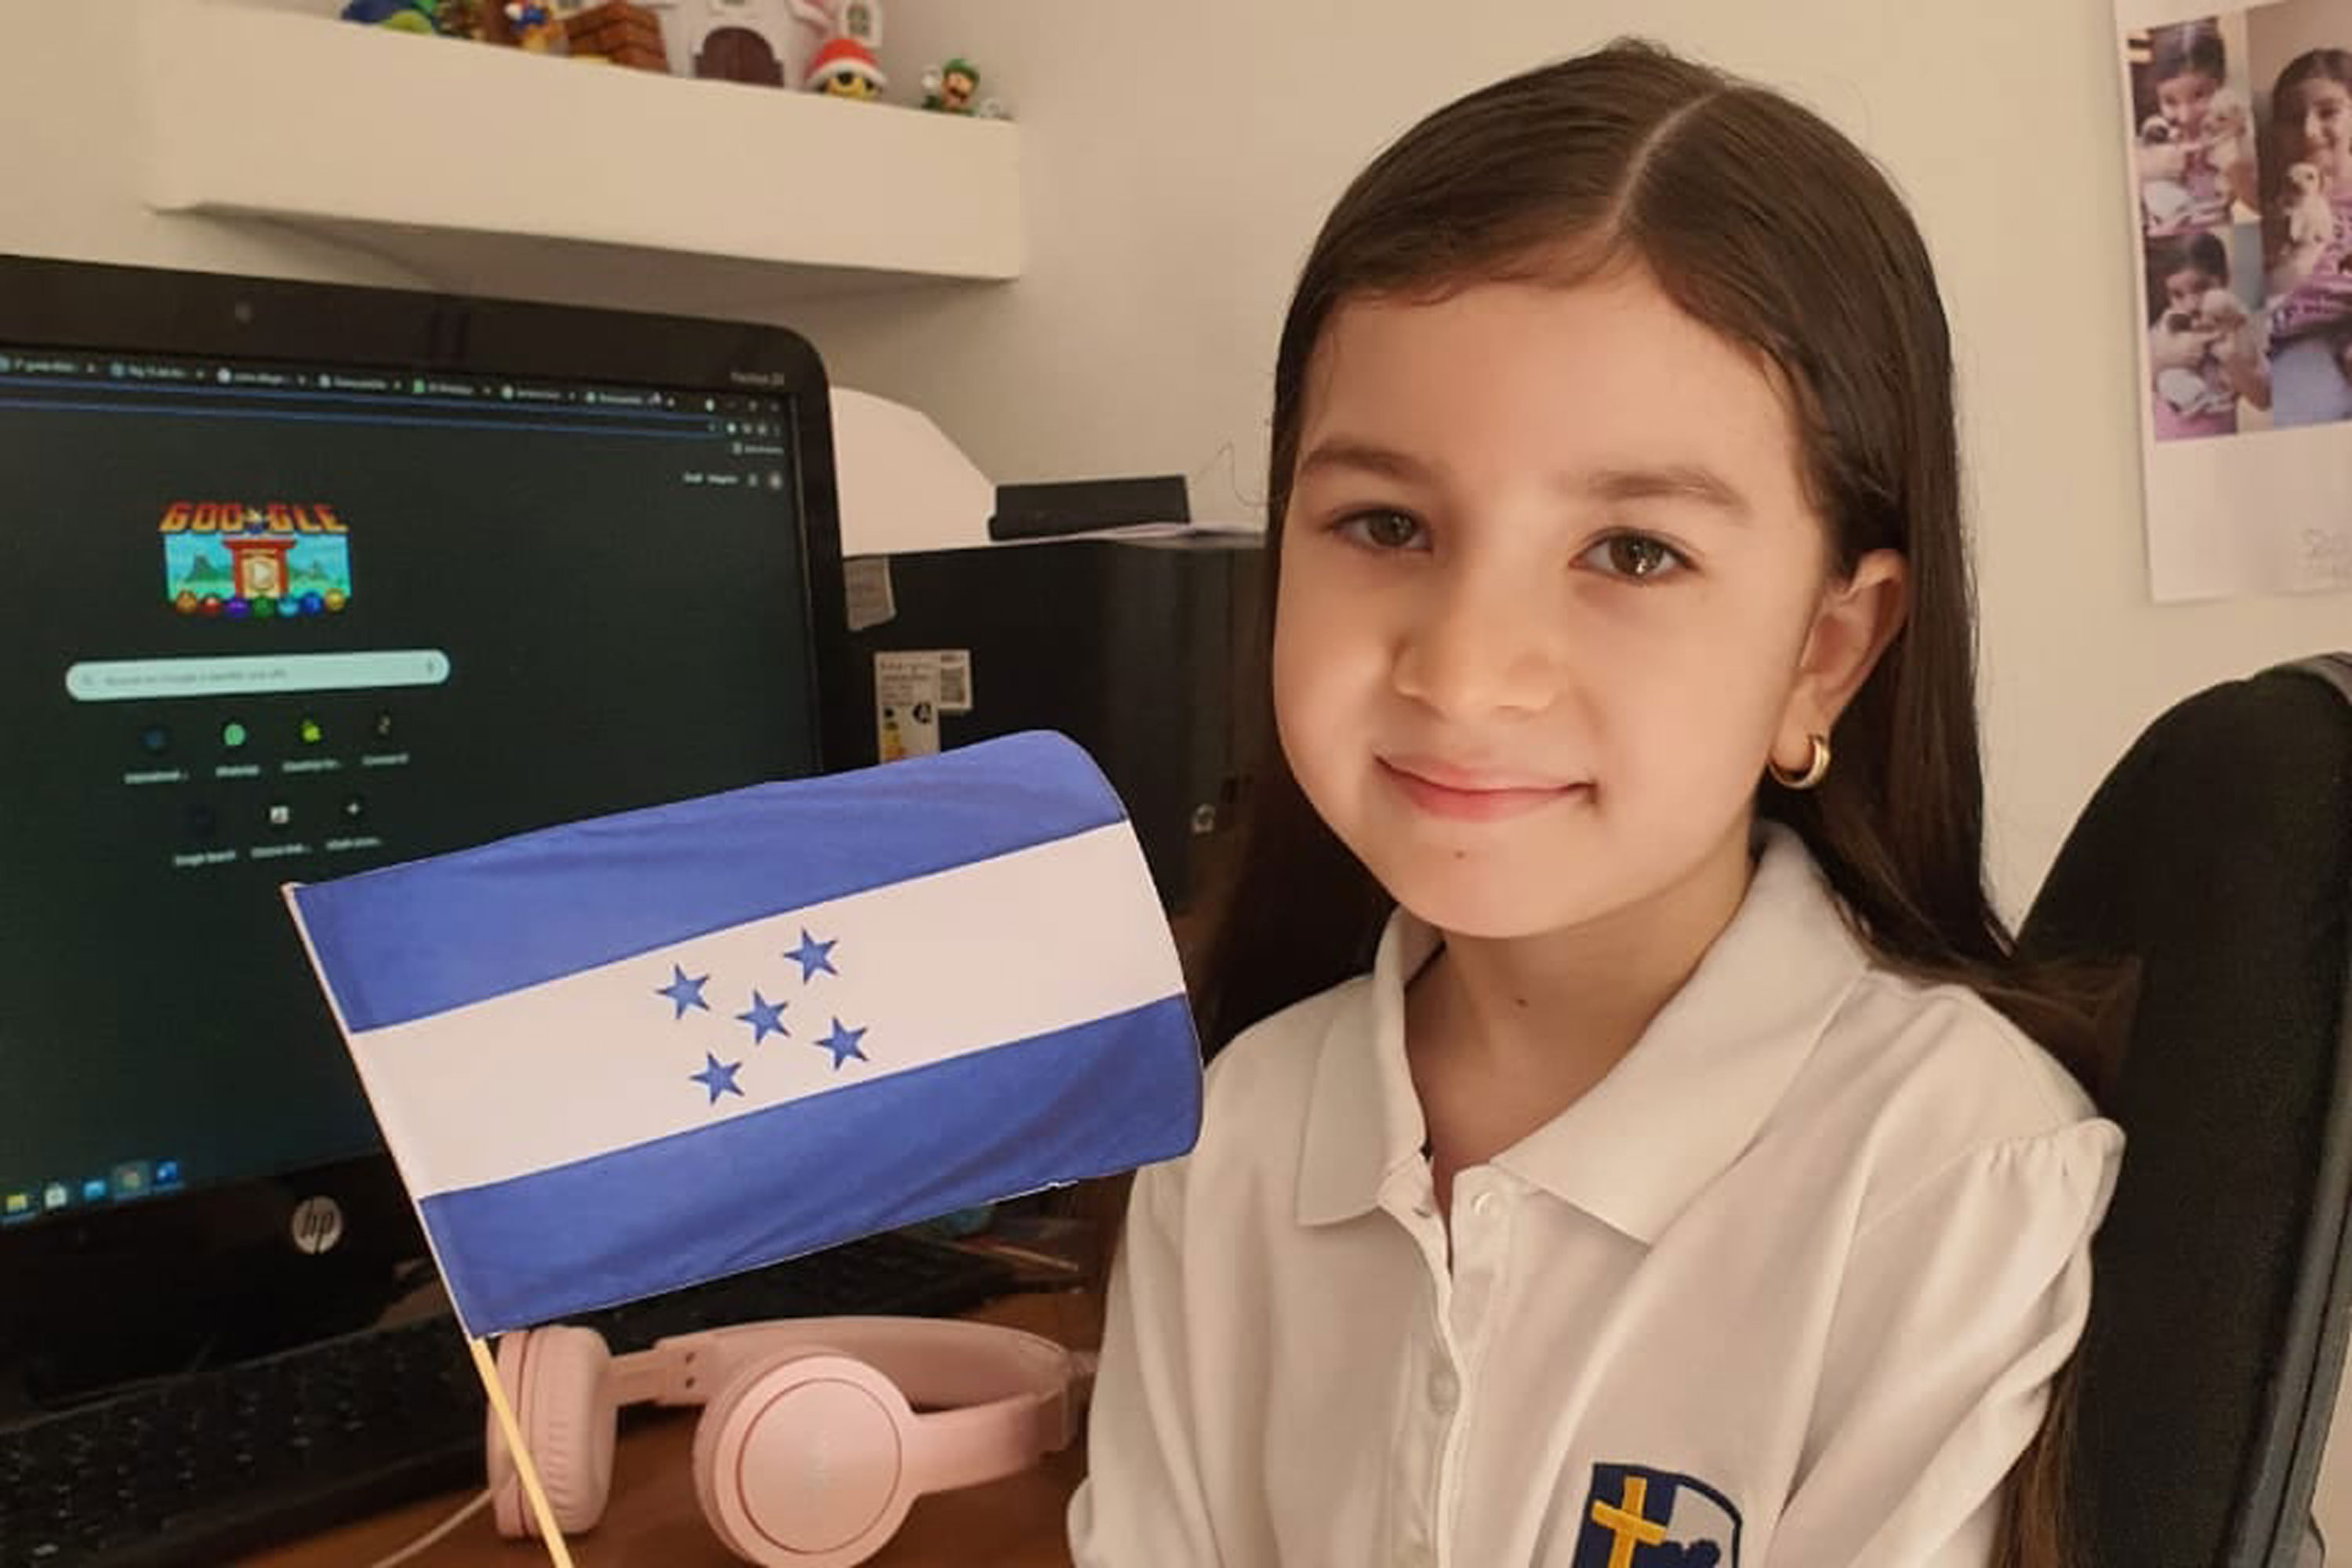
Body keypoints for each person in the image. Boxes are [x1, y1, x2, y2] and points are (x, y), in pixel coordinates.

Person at [1069, 38, 2125, 1568]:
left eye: (1632, 552)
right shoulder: (1228, 1137)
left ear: (1824, 654)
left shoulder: (1952, 1174)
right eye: (1384, 521)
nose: (1467, 670)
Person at [2259, 49, 2352, 426]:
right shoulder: (2267, 211)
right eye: (2293, 119)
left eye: (2328, 112)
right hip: (2293, 344)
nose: (2310, 131)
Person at [2136, 20, 2258, 236]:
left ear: (2220, 85)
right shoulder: (2156, 132)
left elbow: (2257, 203)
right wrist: (2153, 165)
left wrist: (2233, 166)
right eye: (2170, 101)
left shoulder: (2233, 134)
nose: (2185, 116)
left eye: (2200, 95)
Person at [2145, 230, 2247, 439]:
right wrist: (2165, 360)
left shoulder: (2231, 323)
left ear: (2224, 278)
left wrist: (2231, 354)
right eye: (2177, 295)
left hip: (2220, 440)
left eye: (2201, 288)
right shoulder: (2169, 323)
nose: (2191, 305)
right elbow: (2142, 378)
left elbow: (2258, 391)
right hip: (2168, 438)